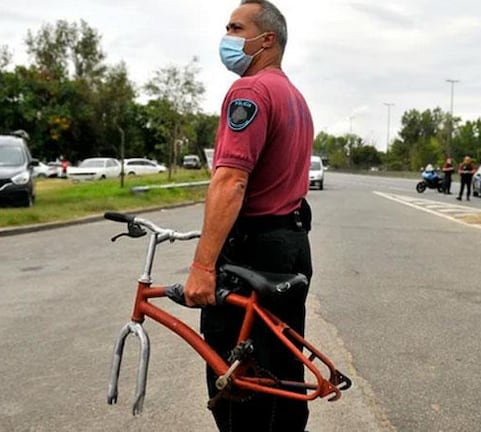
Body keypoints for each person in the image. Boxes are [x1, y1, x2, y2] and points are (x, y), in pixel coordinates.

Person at [183, 1, 313, 431]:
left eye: (237, 28)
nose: (227, 36)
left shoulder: (250, 92)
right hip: (290, 245)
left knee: (239, 383)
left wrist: (203, 267)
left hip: (252, 253)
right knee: (281, 373)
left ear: (267, 40)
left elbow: (231, 182)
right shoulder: (294, 97)